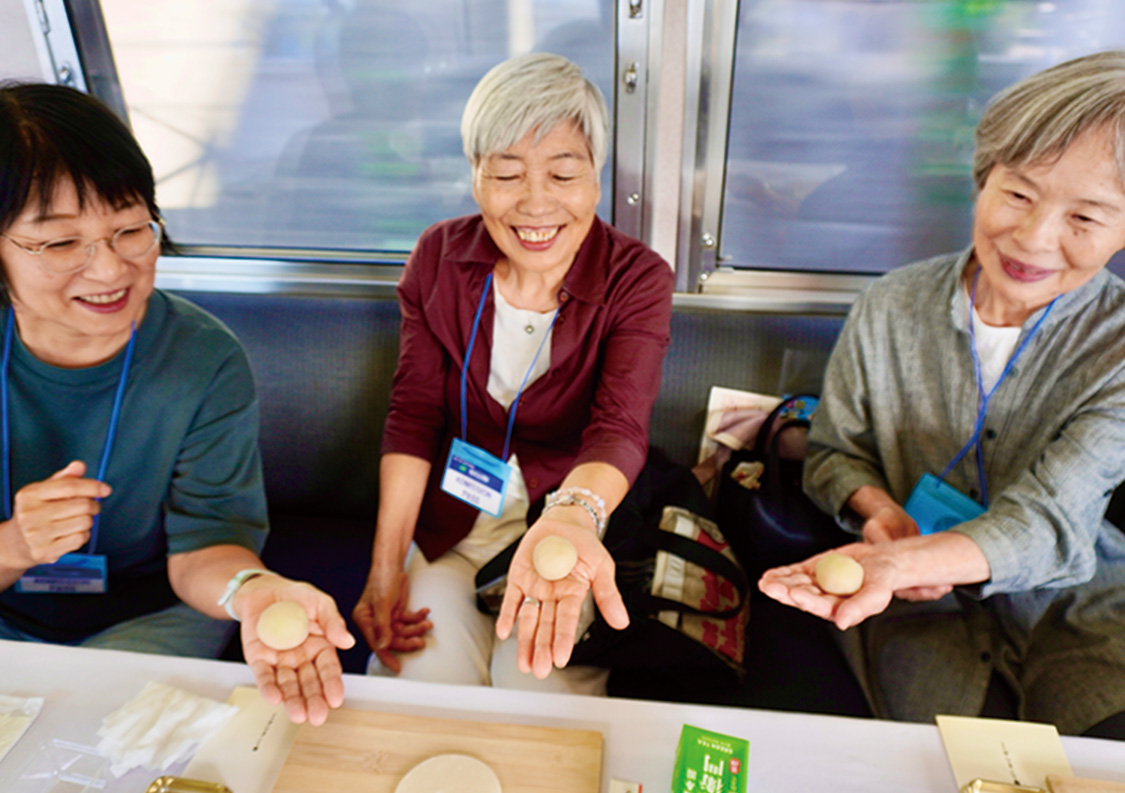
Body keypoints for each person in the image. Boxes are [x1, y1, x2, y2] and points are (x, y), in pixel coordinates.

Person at [758, 50, 1125, 739]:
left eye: (1084, 218)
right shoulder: (889, 305)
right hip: (912, 619)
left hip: (1080, 618)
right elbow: (833, 453)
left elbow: (1050, 522)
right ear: (981, 179)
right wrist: (877, 513)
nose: (1033, 237)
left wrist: (897, 562)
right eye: (1017, 193)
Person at [0, 81, 354, 726]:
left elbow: (207, 543)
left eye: (131, 229)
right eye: (59, 243)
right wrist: (16, 546)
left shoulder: (203, 359)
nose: (109, 271)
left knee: (120, 751)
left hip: (151, 611)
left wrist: (253, 591)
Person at [352, 52, 674, 691]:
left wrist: (572, 517)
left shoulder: (636, 277)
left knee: (535, 690)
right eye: (506, 173)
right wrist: (385, 565)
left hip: (564, 528)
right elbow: (414, 416)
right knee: (420, 684)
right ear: (475, 175)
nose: (535, 204)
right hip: (451, 527)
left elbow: (619, 428)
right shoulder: (439, 258)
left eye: (562, 173)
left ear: (597, 179)